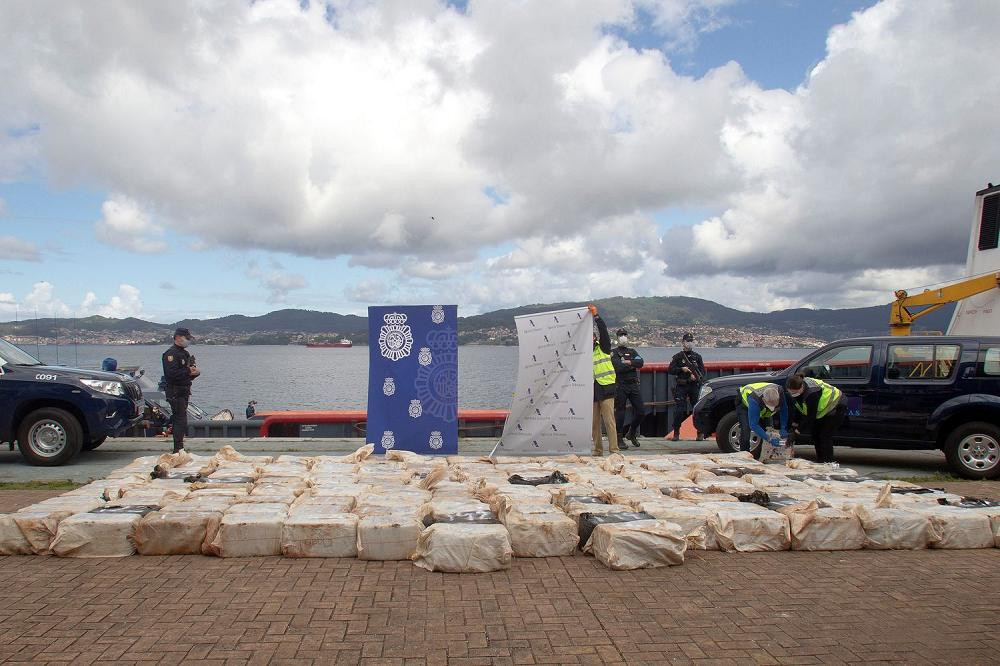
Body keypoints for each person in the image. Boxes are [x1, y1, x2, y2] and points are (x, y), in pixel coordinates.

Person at [786, 373, 846, 463]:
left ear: (802, 387)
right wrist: (793, 427)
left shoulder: (812, 394)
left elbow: (810, 416)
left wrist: (796, 432)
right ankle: (821, 461)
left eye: (795, 393)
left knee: (824, 436)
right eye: (791, 393)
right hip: (822, 411)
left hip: (836, 406)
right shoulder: (796, 391)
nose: (793, 395)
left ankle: (828, 463)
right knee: (815, 435)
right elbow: (799, 410)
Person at [161, 327, 199, 454]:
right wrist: (189, 371)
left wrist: (195, 373)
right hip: (175, 392)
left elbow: (187, 374)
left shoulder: (185, 354)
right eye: (186, 338)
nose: (188, 341)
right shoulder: (170, 354)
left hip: (184, 390)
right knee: (180, 419)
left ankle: (179, 447)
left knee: (181, 419)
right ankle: (178, 448)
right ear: (178, 338)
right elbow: (171, 375)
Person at [589, 304, 619, 457]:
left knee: (609, 422)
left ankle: (614, 450)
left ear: (595, 337)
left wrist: (596, 317)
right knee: (595, 425)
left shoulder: (604, 347)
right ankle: (598, 450)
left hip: (606, 389)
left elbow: (604, 331)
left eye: (593, 336)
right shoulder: (584, 354)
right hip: (593, 391)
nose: (591, 338)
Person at [667, 332, 706, 441]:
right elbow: (670, 370)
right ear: (683, 342)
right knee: (679, 410)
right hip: (682, 385)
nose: (689, 343)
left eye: (691, 341)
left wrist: (697, 377)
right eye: (687, 341)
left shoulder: (697, 357)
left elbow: (703, 371)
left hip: (694, 386)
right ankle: (676, 432)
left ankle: (700, 432)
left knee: (697, 410)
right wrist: (681, 369)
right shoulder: (678, 357)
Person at [611, 328, 644, 449]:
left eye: (625, 335)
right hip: (621, 385)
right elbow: (618, 367)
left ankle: (631, 432)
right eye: (621, 335)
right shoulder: (613, 352)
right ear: (617, 337)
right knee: (620, 412)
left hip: (633, 385)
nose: (623, 337)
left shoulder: (632, 351)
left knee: (641, 411)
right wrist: (632, 364)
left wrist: (628, 363)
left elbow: (641, 363)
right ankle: (619, 438)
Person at [737, 382, 788, 453]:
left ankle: (767, 455)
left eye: (775, 406)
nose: (773, 409)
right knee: (746, 430)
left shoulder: (780, 392)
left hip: (763, 407)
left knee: (769, 430)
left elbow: (784, 409)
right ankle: (745, 456)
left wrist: (783, 427)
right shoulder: (754, 401)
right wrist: (769, 439)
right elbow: (753, 425)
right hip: (744, 406)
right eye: (771, 406)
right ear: (764, 400)